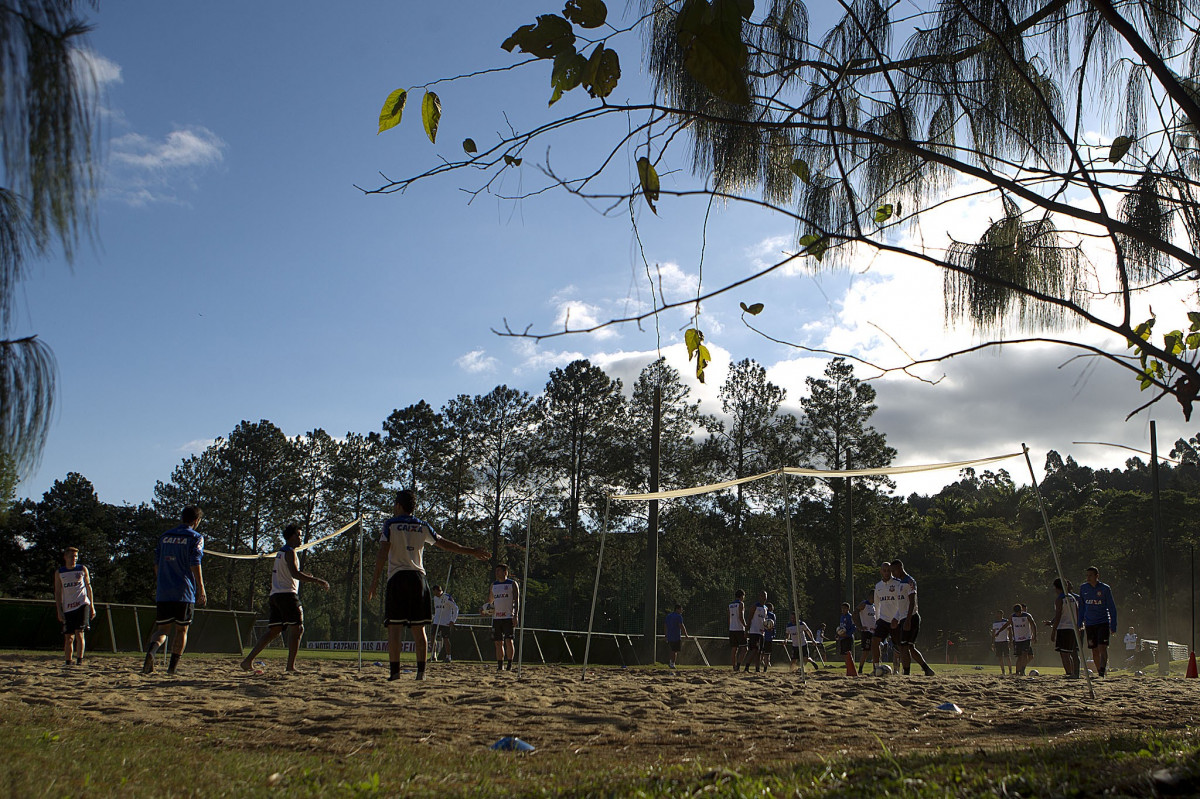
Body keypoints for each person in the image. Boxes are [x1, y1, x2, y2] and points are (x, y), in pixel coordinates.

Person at [367, 490, 488, 681]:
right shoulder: (422, 525)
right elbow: (445, 544)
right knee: (419, 629)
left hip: (397, 578)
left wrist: (374, 580)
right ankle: (421, 673)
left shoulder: (390, 524)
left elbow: (383, 551)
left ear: (398, 505)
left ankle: (395, 673)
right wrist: (471, 551)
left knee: (395, 628)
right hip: (417, 579)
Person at [240, 523, 330, 673]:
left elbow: (290, 573)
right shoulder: (289, 552)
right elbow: (294, 574)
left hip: (276, 595)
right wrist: (317, 581)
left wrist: (305, 575)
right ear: (292, 536)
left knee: (274, 631)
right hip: (287, 595)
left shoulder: (281, 552)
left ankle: (247, 661)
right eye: (299, 535)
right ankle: (290, 667)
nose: (301, 538)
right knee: (298, 629)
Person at [143, 506, 206, 676]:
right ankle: (172, 668)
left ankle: (152, 652)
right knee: (182, 630)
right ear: (196, 520)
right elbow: (195, 563)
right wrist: (201, 588)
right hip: (184, 591)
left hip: (164, 591)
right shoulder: (195, 537)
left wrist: (161, 581)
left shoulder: (165, 536)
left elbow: (156, 563)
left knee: (162, 629)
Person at [890, 558, 936, 676]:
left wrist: (908, 620)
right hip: (903, 617)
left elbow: (912, 602)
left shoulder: (909, 581)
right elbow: (902, 605)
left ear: (900, 568)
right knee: (909, 646)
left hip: (910, 618)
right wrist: (896, 617)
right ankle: (926, 669)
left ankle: (906, 672)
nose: (893, 573)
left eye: (894, 570)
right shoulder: (900, 583)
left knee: (903, 646)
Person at [54, 547, 94, 667]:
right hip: (67, 607)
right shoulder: (60, 572)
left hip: (82, 604)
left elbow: (88, 587)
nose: (74, 559)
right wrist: (59, 610)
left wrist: (92, 605)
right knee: (68, 637)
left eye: (76, 556)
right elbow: (57, 592)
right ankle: (68, 661)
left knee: (79, 632)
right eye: (71, 556)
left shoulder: (82, 569)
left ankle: (79, 660)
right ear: (65, 557)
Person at [1078, 566, 1118, 677]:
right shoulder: (1083, 588)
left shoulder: (1105, 588)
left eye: (1090, 575)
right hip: (1090, 623)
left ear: (1097, 576)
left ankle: (1102, 671)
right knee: (1094, 650)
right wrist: (1079, 622)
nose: (1088, 578)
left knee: (1102, 647)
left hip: (1103, 622)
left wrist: (1113, 625)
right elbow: (1081, 607)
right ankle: (1099, 670)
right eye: (1087, 575)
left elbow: (1112, 608)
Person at [1046, 577, 1080, 678]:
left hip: (1064, 628)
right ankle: (1071, 673)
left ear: (1056, 588)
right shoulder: (1072, 598)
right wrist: (1077, 627)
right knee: (1067, 653)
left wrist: (1053, 631)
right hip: (1072, 628)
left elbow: (1058, 615)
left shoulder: (1060, 599)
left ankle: (1070, 673)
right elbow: (1077, 613)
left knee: (1064, 654)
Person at [488, 564, 520, 671]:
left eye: (499, 571)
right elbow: (490, 602)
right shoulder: (494, 585)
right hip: (497, 618)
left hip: (508, 617)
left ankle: (509, 664)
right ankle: (499, 665)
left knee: (509, 640)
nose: (496, 573)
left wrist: (515, 615)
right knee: (498, 642)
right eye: (496, 571)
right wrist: (485, 610)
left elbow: (516, 600)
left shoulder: (512, 584)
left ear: (505, 572)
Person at [870, 562, 899, 675]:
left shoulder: (897, 584)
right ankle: (876, 667)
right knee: (875, 641)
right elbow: (877, 605)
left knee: (898, 645)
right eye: (884, 570)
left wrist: (898, 618)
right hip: (883, 619)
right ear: (881, 571)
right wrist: (877, 620)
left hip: (896, 619)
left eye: (889, 570)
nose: (887, 573)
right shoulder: (878, 586)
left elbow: (901, 603)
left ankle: (896, 669)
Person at [1004, 602, 1037, 676]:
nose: (1018, 614)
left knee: (1026, 655)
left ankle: (1022, 669)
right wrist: (1000, 631)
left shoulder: (1027, 616)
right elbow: (1008, 624)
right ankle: (1018, 671)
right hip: (1018, 639)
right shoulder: (1013, 616)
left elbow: (1033, 625)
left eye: (1019, 612)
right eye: (1017, 612)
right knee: (1020, 656)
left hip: (1027, 638)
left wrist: (1034, 636)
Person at [431, 585, 459, 663]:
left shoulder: (447, 597)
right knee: (432, 637)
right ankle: (433, 655)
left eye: (434, 591)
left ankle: (448, 656)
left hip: (445, 622)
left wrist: (453, 620)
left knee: (446, 639)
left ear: (437, 590)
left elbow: (455, 608)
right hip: (436, 621)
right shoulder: (435, 598)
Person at [742, 590, 769, 672]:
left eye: (765, 596)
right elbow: (749, 618)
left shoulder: (765, 608)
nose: (763, 597)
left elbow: (764, 621)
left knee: (759, 651)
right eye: (762, 596)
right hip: (754, 631)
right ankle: (746, 667)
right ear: (759, 597)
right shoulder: (755, 606)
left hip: (761, 632)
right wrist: (746, 630)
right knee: (754, 650)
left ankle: (757, 668)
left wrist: (767, 627)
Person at [728, 589, 748, 672]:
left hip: (732, 629)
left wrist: (730, 627)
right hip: (739, 629)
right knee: (744, 648)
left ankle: (734, 666)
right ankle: (738, 665)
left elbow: (729, 618)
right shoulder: (741, 604)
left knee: (734, 649)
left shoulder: (730, 605)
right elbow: (741, 617)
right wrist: (746, 626)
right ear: (741, 596)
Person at [856, 598, 876, 675]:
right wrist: (859, 626)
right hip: (866, 632)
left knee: (876, 650)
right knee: (866, 652)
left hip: (874, 632)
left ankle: (876, 668)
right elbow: (855, 613)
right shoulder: (864, 604)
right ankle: (860, 669)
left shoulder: (875, 606)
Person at [665, 604, 688, 669]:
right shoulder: (678, 616)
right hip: (676, 636)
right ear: (677, 609)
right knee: (674, 651)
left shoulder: (668, 616)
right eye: (681, 609)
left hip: (669, 635)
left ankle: (671, 662)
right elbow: (681, 626)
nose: (681, 611)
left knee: (672, 649)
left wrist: (666, 634)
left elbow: (665, 625)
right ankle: (672, 663)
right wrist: (686, 634)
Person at [836, 601, 857, 674]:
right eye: (842, 608)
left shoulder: (850, 617)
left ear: (848, 609)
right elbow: (841, 628)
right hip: (842, 638)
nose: (843, 610)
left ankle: (851, 668)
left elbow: (854, 627)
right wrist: (838, 634)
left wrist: (847, 634)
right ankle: (848, 667)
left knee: (848, 653)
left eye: (845, 608)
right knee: (844, 654)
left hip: (848, 638)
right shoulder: (842, 617)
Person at [991, 610, 1013, 676]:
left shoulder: (1006, 621)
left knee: (1007, 656)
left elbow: (1010, 631)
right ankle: (1003, 671)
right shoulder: (995, 623)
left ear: (1002, 614)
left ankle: (1010, 670)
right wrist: (993, 642)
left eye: (999, 614)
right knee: (1000, 657)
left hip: (1005, 641)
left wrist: (1010, 641)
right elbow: (993, 633)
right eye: (997, 614)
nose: (998, 615)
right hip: (998, 641)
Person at [760, 602, 777, 670]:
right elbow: (773, 625)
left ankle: (760, 664)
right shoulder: (772, 615)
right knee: (767, 653)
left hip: (761, 635)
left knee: (761, 651)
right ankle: (765, 667)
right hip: (768, 637)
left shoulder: (762, 613)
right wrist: (773, 634)